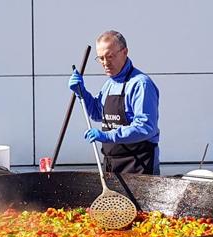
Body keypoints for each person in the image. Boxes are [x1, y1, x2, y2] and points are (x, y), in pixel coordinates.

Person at [68, 30, 160, 175]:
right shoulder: (109, 85)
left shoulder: (140, 84)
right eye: (101, 58)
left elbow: (145, 127)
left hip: (138, 165)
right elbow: (98, 114)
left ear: (125, 52)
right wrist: (82, 93)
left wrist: (108, 136)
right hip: (111, 164)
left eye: (110, 56)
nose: (105, 63)